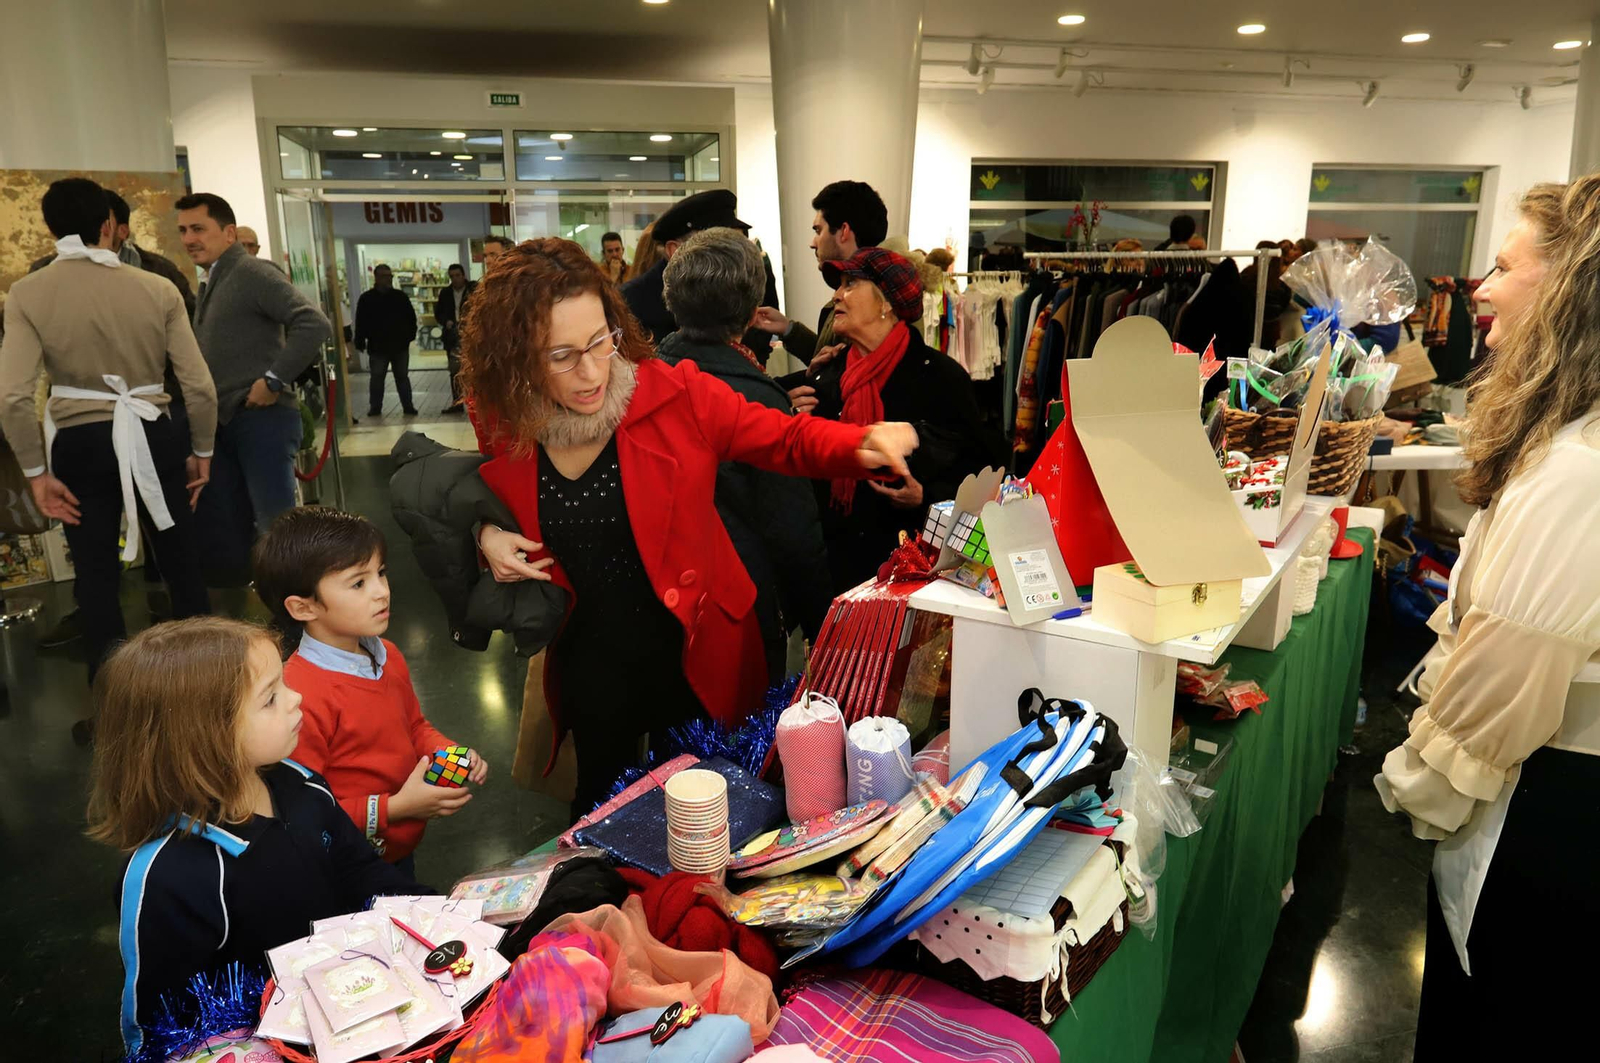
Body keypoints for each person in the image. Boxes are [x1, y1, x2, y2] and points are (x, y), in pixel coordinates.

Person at [460, 238, 919, 815]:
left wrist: (860, 442)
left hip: (696, 648)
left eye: (601, 342)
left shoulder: (673, 392)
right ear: (516, 357)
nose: (590, 370)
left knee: (710, 820)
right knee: (602, 818)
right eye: (561, 355)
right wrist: (486, 535)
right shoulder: (507, 421)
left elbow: (782, 437)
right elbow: (471, 492)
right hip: (590, 661)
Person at [1374, 177, 1600, 1059]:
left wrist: (1417, 782)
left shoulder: (1577, 472)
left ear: (1570, 289)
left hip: (1549, 821)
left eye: (1505, 266)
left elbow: (1504, 676)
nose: (1480, 286)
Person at [87, 617, 422, 1054]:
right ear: (205, 737)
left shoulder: (302, 783)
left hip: (362, 1009)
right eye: (271, 698)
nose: (297, 697)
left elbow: (364, 874)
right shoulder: (168, 878)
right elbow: (159, 1029)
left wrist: (443, 921)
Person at [0, 179, 217, 687]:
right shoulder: (157, 288)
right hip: (153, 431)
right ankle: (208, 683)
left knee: (95, 575)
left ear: (52, 228)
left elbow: (12, 396)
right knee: (182, 563)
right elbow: (199, 386)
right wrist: (201, 450)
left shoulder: (28, 293)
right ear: (108, 226)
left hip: (79, 444)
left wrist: (35, 474)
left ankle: (114, 698)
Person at [253, 506, 487, 875]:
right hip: (345, 866)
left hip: (395, 850)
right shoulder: (299, 695)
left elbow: (413, 726)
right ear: (303, 606)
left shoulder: (386, 654)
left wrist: (449, 754)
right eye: (358, 583)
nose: (382, 592)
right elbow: (304, 811)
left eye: (381, 573)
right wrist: (397, 808)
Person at [658, 227, 834, 677]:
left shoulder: (653, 377)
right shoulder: (756, 399)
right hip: (740, 610)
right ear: (751, 308)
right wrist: (821, 624)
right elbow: (793, 529)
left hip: (665, 601)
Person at [801, 247, 1008, 592]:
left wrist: (926, 496)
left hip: (915, 575)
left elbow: (982, 468)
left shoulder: (940, 377)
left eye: (851, 284)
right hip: (836, 574)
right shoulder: (827, 376)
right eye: (839, 285)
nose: (837, 295)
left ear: (886, 304)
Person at [179, 192, 330, 543]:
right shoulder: (213, 279)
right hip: (231, 420)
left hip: (261, 421)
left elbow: (313, 323)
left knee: (276, 528)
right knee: (252, 527)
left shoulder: (251, 272)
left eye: (198, 228)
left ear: (228, 234)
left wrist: (274, 380)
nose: (189, 239)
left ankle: (291, 597)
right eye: (184, 230)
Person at [752, 180, 889, 367]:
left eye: (818, 230)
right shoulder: (866, 293)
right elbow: (827, 357)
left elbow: (850, 380)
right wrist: (789, 329)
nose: (813, 243)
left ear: (844, 232)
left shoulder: (875, 303)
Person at [622, 189, 754, 344]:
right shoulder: (633, 302)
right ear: (675, 250)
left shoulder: (741, 287)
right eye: (717, 248)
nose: (733, 259)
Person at [353, 264, 418, 416]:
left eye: (390, 276)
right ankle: (375, 407)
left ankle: (408, 406)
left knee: (402, 377)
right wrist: (360, 340)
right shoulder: (367, 299)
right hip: (378, 346)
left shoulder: (400, 297)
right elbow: (361, 321)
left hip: (399, 345)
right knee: (377, 377)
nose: (388, 279)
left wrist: (410, 336)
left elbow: (411, 318)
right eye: (384, 276)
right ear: (376, 277)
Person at [435, 262, 476, 413]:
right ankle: (457, 402)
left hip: (471, 334)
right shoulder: (445, 293)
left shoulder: (473, 289)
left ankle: (476, 403)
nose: (455, 279)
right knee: (455, 370)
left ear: (463, 275)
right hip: (452, 335)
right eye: (452, 276)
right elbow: (438, 312)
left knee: (474, 370)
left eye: (458, 275)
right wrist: (446, 321)